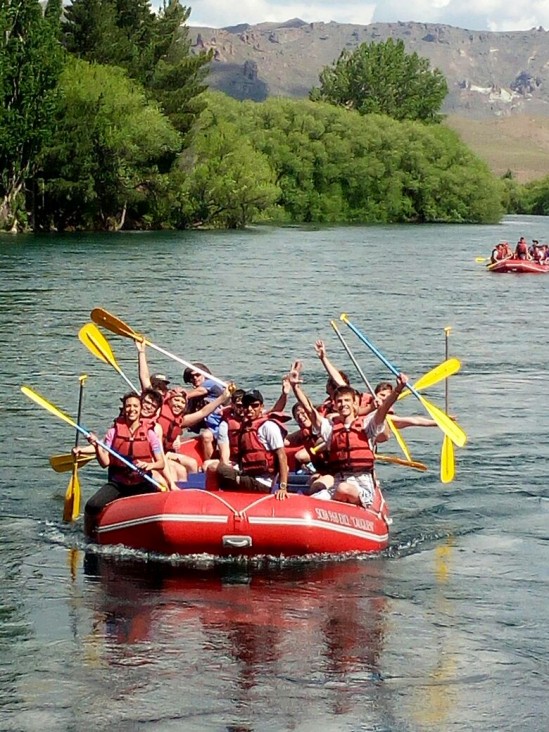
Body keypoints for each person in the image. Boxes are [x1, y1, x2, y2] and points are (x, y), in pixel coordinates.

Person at [306, 375, 408, 512]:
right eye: (340, 401)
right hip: (338, 484)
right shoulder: (331, 430)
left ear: (355, 404)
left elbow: (383, 409)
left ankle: (342, 507)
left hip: (361, 487)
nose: (343, 404)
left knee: (343, 488)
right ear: (335, 405)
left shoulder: (367, 427)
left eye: (347, 400)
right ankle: (334, 510)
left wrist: (398, 389)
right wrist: (295, 388)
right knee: (311, 502)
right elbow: (311, 412)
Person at [81, 391, 165, 538]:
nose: (131, 409)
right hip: (118, 484)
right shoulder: (113, 432)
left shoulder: (150, 434)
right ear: (124, 408)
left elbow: (161, 463)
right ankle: (89, 537)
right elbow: (105, 463)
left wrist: (149, 466)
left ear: (140, 409)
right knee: (92, 506)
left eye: (135, 406)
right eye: (128, 406)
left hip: (142, 483)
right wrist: (96, 446)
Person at [216, 390, 289, 499]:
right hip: (249, 476)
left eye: (254, 405)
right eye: (246, 406)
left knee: (220, 469)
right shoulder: (247, 427)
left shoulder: (269, 427)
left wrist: (283, 487)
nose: (250, 409)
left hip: (261, 483)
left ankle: (216, 501)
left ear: (261, 407)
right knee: (222, 469)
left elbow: (282, 456)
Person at [183, 363, 225, 460]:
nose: (194, 378)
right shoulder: (194, 399)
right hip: (212, 426)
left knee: (206, 436)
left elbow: (200, 391)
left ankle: (209, 464)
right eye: (191, 377)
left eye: (197, 375)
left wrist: (179, 395)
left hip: (221, 425)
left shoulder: (211, 383)